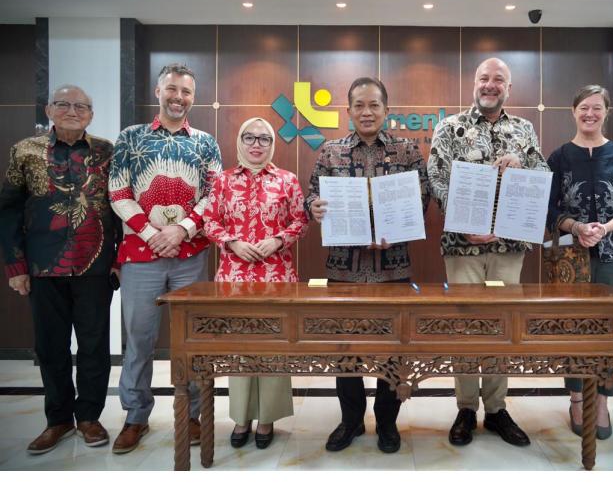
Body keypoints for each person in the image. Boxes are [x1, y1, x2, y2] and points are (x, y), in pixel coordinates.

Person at [427, 57, 548, 448]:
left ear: (508, 88)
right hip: (463, 247)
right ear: (474, 84)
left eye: (499, 79)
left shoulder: (524, 130)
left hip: (509, 246)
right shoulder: (450, 128)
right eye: (484, 78)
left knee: (500, 324)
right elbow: (436, 178)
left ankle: (496, 408)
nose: (490, 84)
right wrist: (464, 225)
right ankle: (465, 407)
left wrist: (523, 162)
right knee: (465, 325)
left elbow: (542, 177)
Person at [306, 77, 429, 454]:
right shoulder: (331, 151)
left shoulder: (408, 151)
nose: (367, 112)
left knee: (394, 349)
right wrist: (313, 206)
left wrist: (401, 225)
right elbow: (312, 193)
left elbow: (421, 198)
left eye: (374, 105)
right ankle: (351, 420)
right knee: (346, 350)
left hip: (393, 266)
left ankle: (388, 422)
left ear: (386, 110)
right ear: (348, 111)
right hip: (344, 269)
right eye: (359, 105)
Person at [108, 63, 222, 454]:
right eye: (171, 89)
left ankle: (190, 414)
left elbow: (213, 196)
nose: (178, 97)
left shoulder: (206, 142)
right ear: (158, 91)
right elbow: (118, 193)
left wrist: (183, 230)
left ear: (194, 97)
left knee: (189, 340)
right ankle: (135, 416)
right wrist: (154, 234)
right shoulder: (131, 138)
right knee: (139, 339)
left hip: (190, 254)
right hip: (141, 255)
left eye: (186, 91)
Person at [0, 85, 119, 454]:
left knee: (95, 345)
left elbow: (119, 206)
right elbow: (8, 209)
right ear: (49, 109)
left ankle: (89, 417)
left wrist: (118, 260)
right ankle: (57, 420)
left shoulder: (106, 151)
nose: (73, 110)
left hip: (96, 266)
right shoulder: (26, 150)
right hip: (43, 266)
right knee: (50, 346)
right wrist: (15, 265)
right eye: (64, 104)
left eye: (81, 105)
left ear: (91, 113)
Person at [546, 84, 613, 440]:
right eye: (583, 108)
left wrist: (605, 228)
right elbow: (548, 206)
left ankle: (602, 398)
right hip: (571, 258)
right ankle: (576, 396)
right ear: (573, 112)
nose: (590, 114)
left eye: (597, 108)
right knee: (572, 328)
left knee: (610, 330)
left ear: (606, 113)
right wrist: (574, 226)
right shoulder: (559, 157)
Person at [203, 117, 308, 450]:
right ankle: (241, 418)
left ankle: (267, 419)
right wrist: (232, 242)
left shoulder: (287, 180)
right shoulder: (221, 181)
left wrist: (276, 240)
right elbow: (209, 221)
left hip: (277, 276)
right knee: (241, 350)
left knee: (274, 349)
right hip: (234, 278)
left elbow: (300, 221)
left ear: (272, 144)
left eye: (264, 139)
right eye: (249, 137)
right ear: (240, 142)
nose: (256, 144)